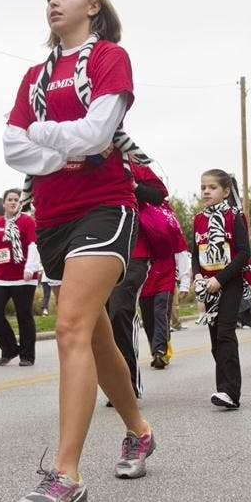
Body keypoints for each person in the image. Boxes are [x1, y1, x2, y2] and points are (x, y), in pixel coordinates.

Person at [3, 0, 153, 502]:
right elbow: (12, 148)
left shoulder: (110, 58)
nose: (53, 1)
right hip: (52, 218)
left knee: (69, 327)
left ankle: (66, 476)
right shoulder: (34, 76)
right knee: (94, 335)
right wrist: (65, 147)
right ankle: (139, 431)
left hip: (105, 207)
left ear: (93, 5)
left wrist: (46, 137)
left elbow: (97, 135)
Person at [107, 160, 168, 398]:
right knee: (102, 320)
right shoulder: (81, 162)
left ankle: (127, 385)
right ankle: (112, 384)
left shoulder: (131, 161)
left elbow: (159, 194)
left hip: (134, 252)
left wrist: (133, 185)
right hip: (99, 253)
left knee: (120, 310)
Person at [191, 169, 251, 409]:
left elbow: (244, 253)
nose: (206, 191)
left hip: (230, 281)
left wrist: (221, 278)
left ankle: (230, 392)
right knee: (216, 338)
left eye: (212, 187)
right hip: (208, 285)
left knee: (226, 333)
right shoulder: (198, 219)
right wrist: (197, 274)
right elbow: (195, 253)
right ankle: (223, 388)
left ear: (226, 191)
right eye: (203, 187)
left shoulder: (234, 216)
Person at [0, 188, 40, 367]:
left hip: (23, 278)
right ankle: (10, 349)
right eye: (10, 199)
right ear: (4, 203)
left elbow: (33, 246)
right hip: (0, 277)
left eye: (16, 200)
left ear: (20, 204)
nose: (13, 202)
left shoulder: (27, 222)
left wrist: (30, 268)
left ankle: (27, 355)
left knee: (24, 315)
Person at [138, 209, 190, 369]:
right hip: (144, 277)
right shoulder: (136, 212)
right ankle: (156, 351)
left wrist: (184, 282)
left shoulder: (167, 215)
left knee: (160, 312)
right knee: (148, 318)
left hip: (165, 275)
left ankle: (160, 352)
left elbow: (180, 249)